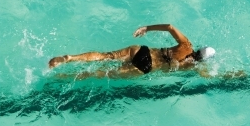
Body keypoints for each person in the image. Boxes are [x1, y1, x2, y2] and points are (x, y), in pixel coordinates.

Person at [48, 24, 216, 78]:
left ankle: (69, 58)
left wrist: (147, 28)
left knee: (106, 56)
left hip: (142, 51)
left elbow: (170, 27)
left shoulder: (186, 44)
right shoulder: (193, 66)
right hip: (146, 66)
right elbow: (208, 76)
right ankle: (64, 77)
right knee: (105, 73)